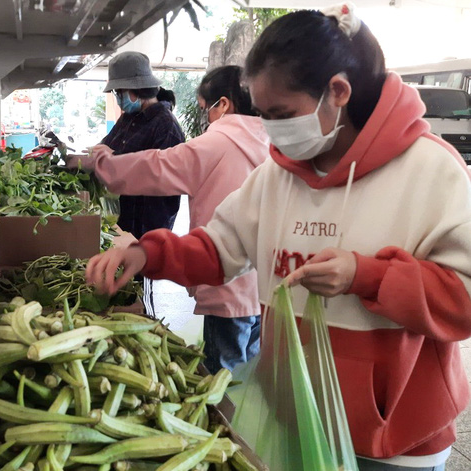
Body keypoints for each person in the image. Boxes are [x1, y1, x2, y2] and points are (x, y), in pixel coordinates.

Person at [84, 4, 471, 470]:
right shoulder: (275, 176)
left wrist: (366, 276)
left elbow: (463, 297)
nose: (270, 130)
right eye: (264, 114)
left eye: (281, 113)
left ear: (338, 93)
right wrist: (147, 254)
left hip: (394, 439)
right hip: (291, 416)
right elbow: (218, 248)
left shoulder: (430, 171)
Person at [70, 65, 269, 373]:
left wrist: (101, 164)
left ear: (225, 104)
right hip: (266, 288)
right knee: (250, 377)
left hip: (226, 280)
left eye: (206, 108)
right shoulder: (274, 146)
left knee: (221, 381)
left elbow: (155, 167)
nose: (205, 117)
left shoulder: (215, 144)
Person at [69, 51, 185, 316]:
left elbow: (166, 179)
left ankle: (141, 311)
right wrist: (86, 156)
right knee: (124, 269)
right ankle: (127, 304)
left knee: (139, 271)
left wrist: (114, 163)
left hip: (148, 218)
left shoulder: (165, 126)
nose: (118, 99)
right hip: (125, 214)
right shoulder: (129, 118)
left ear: (136, 90)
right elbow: (107, 147)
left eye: (119, 92)